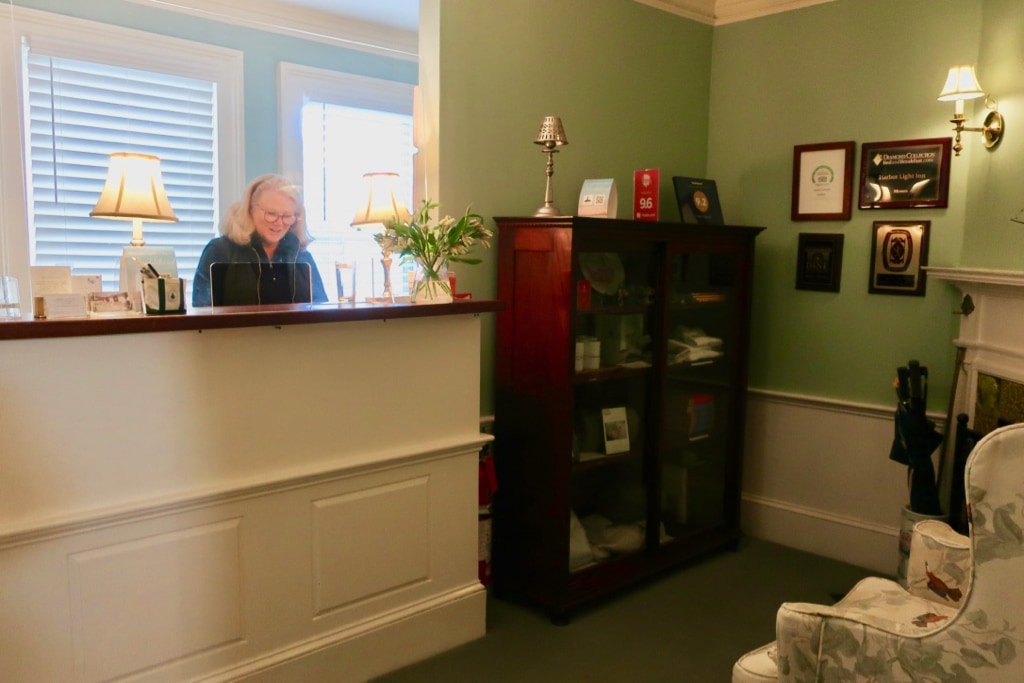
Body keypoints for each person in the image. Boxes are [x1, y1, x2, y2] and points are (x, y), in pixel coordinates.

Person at [192, 174, 328, 307]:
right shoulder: (219, 251)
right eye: (271, 214)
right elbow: (202, 317)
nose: (279, 223)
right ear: (250, 209)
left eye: (287, 216)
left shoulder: (302, 256)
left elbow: (320, 313)